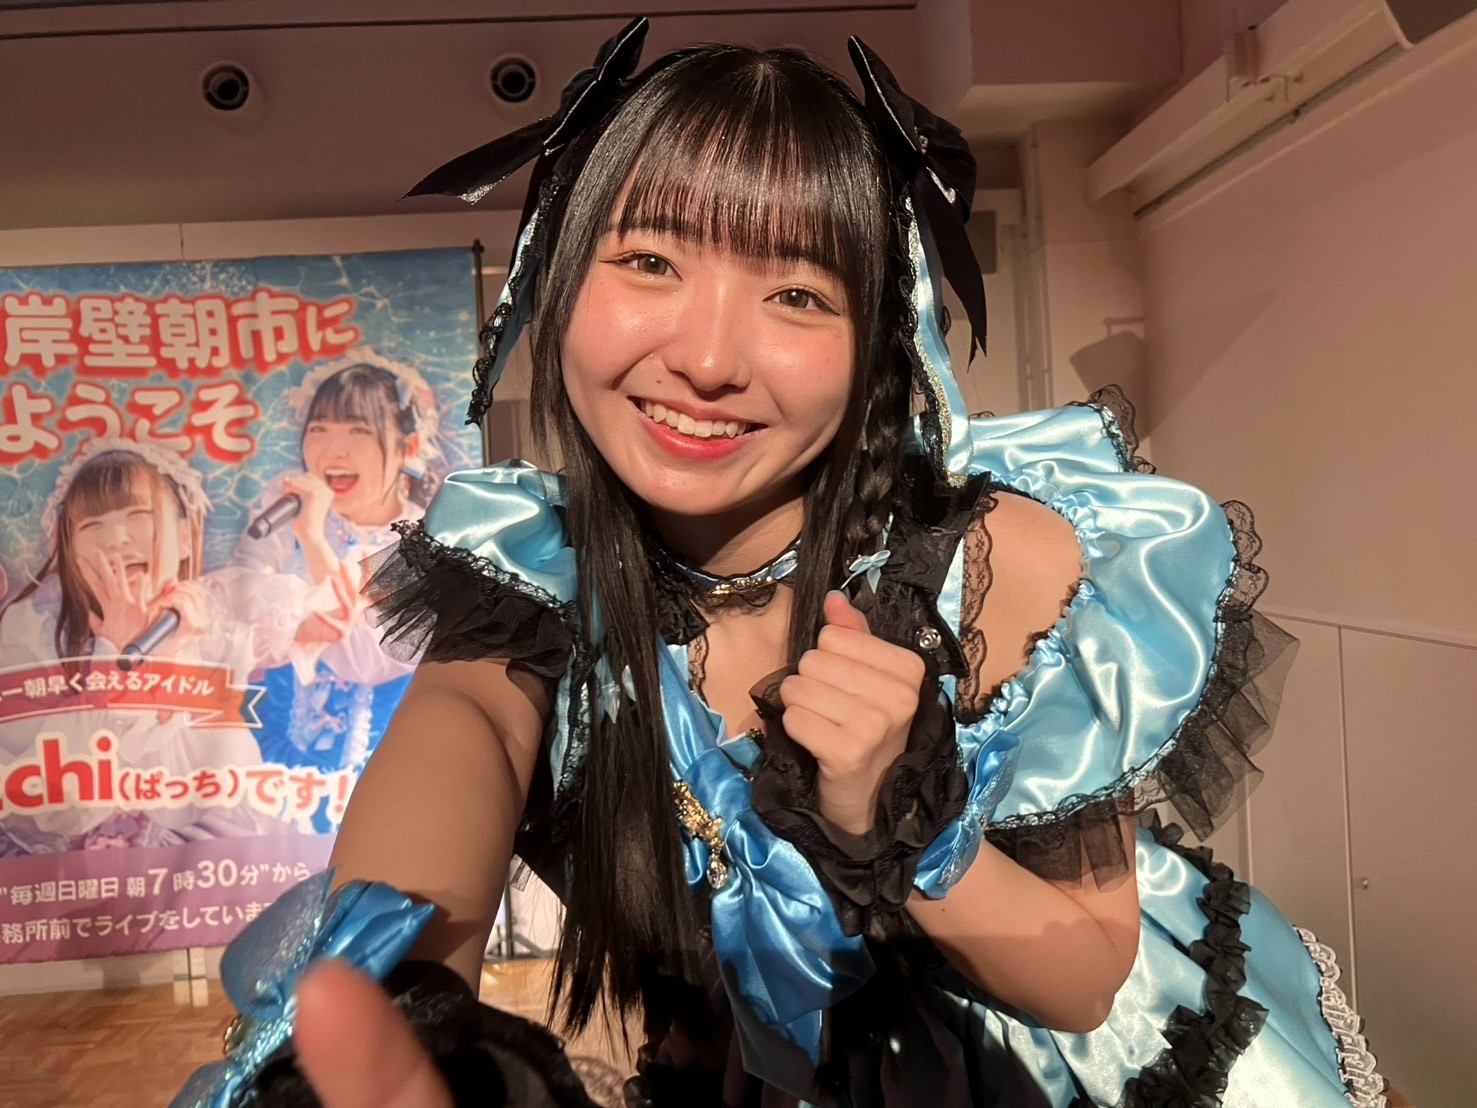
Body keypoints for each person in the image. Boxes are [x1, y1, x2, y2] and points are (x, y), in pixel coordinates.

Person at [176, 20, 1386, 1108]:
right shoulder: (530, 567)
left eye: (798, 292)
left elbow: (1084, 978)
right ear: (557, 276)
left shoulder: (990, 559)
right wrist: (412, 1019)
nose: (708, 359)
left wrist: (902, 823)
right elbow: (469, 730)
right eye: (650, 262)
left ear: (879, 342)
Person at [0, 438, 287, 851]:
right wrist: (112, 655)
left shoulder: (218, 621)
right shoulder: (33, 631)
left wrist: (171, 657)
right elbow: (58, 808)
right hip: (71, 868)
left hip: (207, 862)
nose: (116, 539)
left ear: (185, 536)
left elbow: (220, 789)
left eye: (138, 516)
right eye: (91, 526)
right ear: (67, 551)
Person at [231, 351, 444, 783]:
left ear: (408, 447)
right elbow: (235, 607)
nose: (334, 449)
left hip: (385, 774)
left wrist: (314, 541)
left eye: (359, 430)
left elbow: (367, 660)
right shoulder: (286, 511)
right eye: (320, 429)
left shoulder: (425, 540)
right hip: (268, 766)